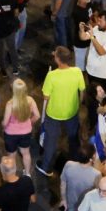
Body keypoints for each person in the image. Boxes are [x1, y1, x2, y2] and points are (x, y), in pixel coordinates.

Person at [39, 46, 85, 174]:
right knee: (73, 138)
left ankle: (46, 167)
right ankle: (76, 163)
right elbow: (82, 91)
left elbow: (45, 96)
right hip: (72, 112)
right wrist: (78, 105)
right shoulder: (77, 72)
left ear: (58, 60)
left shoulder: (51, 76)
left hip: (54, 113)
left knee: (51, 141)